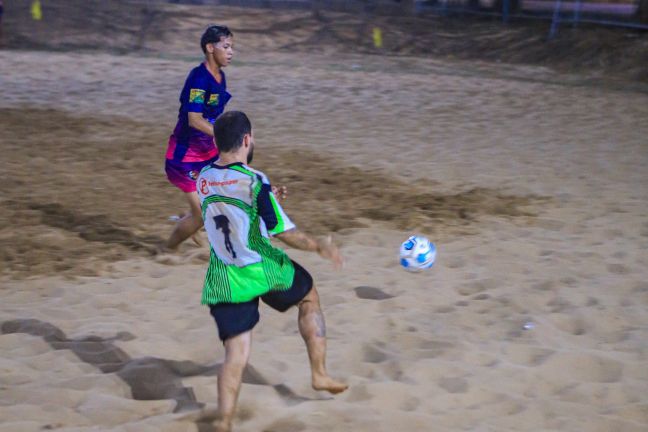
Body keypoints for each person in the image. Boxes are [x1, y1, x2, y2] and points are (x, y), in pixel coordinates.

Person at [196, 111, 348, 432]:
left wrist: (268, 200)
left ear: (217, 142)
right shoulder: (255, 180)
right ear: (247, 140)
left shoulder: (203, 178)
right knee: (309, 295)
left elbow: (232, 211)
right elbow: (283, 233)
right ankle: (319, 374)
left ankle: (224, 421)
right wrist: (319, 245)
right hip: (263, 269)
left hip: (225, 277)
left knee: (235, 353)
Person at [164, 24, 234, 250]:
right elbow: (194, 120)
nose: (231, 52)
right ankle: (166, 249)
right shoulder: (199, 78)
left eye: (232, 47)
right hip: (185, 155)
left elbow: (214, 118)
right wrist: (223, 135)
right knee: (202, 215)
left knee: (221, 200)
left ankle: (190, 222)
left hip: (208, 153)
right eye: (226, 46)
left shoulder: (220, 77)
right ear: (210, 47)